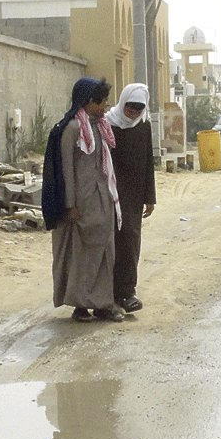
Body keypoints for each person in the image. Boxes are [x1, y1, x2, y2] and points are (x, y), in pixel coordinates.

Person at [45, 77, 125, 322]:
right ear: (89, 101)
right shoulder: (72, 129)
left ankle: (102, 303)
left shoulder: (100, 127)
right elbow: (66, 169)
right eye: (100, 101)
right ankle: (80, 304)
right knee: (80, 256)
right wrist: (70, 205)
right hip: (80, 205)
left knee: (105, 252)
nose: (104, 106)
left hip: (103, 201)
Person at [106, 83, 156, 313]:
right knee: (109, 242)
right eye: (129, 109)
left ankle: (127, 292)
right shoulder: (108, 124)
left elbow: (148, 163)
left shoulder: (144, 126)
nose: (132, 114)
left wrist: (149, 197)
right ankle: (106, 294)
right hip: (110, 191)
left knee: (130, 242)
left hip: (134, 195)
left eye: (138, 110)